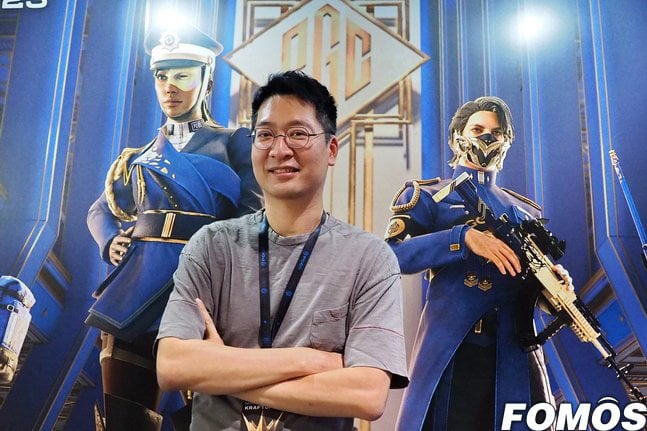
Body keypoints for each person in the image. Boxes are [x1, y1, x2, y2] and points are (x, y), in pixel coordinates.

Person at [155, 70, 408, 431]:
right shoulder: (211, 246)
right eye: (265, 135)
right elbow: (173, 366)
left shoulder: (369, 258)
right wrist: (311, 360)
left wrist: (219, 367)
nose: (279, 149)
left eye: (298, 134)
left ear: (331, 149)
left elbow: (366, 395)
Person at [86, 23, 261, 430]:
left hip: (205, 287)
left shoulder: (234, 142)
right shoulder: (139, 156)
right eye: (162, 76)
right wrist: (110, 241)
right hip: (137, 288)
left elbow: (253, 212)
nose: (170, 87)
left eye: (183, 75)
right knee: (124, 417)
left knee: (210, 417)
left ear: (206, 79)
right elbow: (99, 210)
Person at [385, 96, 571, 430]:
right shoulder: (428, 195)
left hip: (514, 352)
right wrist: (463, 238)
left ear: (507, 141)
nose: (487, 137)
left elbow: (532, 289)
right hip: (455, 350)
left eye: (496, 132)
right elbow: (391, 256)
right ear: (457, 135)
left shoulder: (525, 212)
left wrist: (553, 287)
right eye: (477, 129)